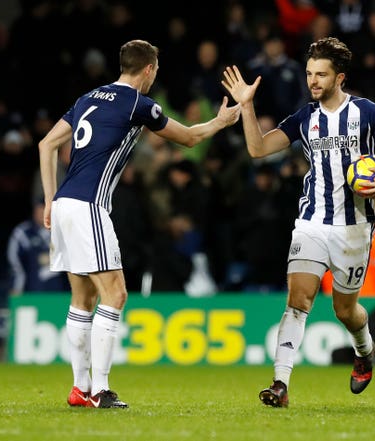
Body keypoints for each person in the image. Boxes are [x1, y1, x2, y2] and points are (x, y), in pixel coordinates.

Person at [38, 39, 240, 408]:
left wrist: (50, 199)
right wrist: (222, 121)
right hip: (88, 206)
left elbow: (46, 144)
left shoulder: (89, 97)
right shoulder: (138, 103)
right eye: (156, 71)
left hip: (66, 202)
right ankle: (99, 390)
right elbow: (191, 138)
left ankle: (80, 388)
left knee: (83, 299)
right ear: (148, 70)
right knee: (115, 295)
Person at [222, 37, 375, 408]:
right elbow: (258, 149)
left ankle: (365, 350)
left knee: (346, 310)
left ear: (339, 77)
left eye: (321, 74)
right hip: (311, 221)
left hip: (354, 227)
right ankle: (280, 384)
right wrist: (246, 105)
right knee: (298, 300)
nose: (313, 80)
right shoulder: (304, 118)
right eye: (310, 73)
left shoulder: (369, 113)